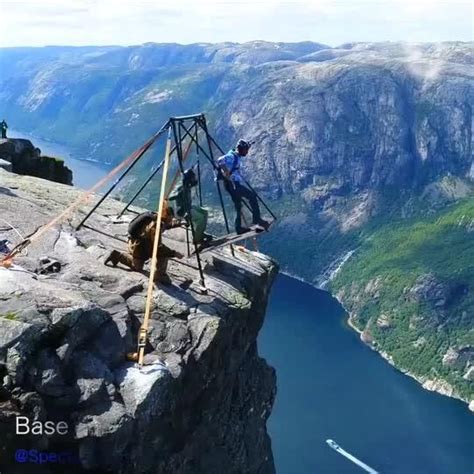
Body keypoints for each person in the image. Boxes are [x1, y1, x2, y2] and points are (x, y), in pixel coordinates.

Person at [104, 207, 183, 285]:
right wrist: (174, 253)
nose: (171, 220)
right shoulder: (155, 226)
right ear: (166, 216)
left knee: (140, 265)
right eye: (170, 218)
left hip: (142, 243)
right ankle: (160, 275)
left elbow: (166, 225)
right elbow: (158, 247)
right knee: (164, 253)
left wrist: (178, 224)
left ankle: (160, 274)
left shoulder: (156, 216)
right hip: (139, 246)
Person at [217, 139, 269, 234]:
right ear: (241, 149)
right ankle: (257, 219)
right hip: (233, 184)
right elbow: (220, 160)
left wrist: (249, 144)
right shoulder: (232, 156)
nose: (247, 152)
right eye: (246, 150)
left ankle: (238, 228)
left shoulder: (235, 154)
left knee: (238, 205)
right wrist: (226, 171)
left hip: (230, 184)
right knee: (252, 196)